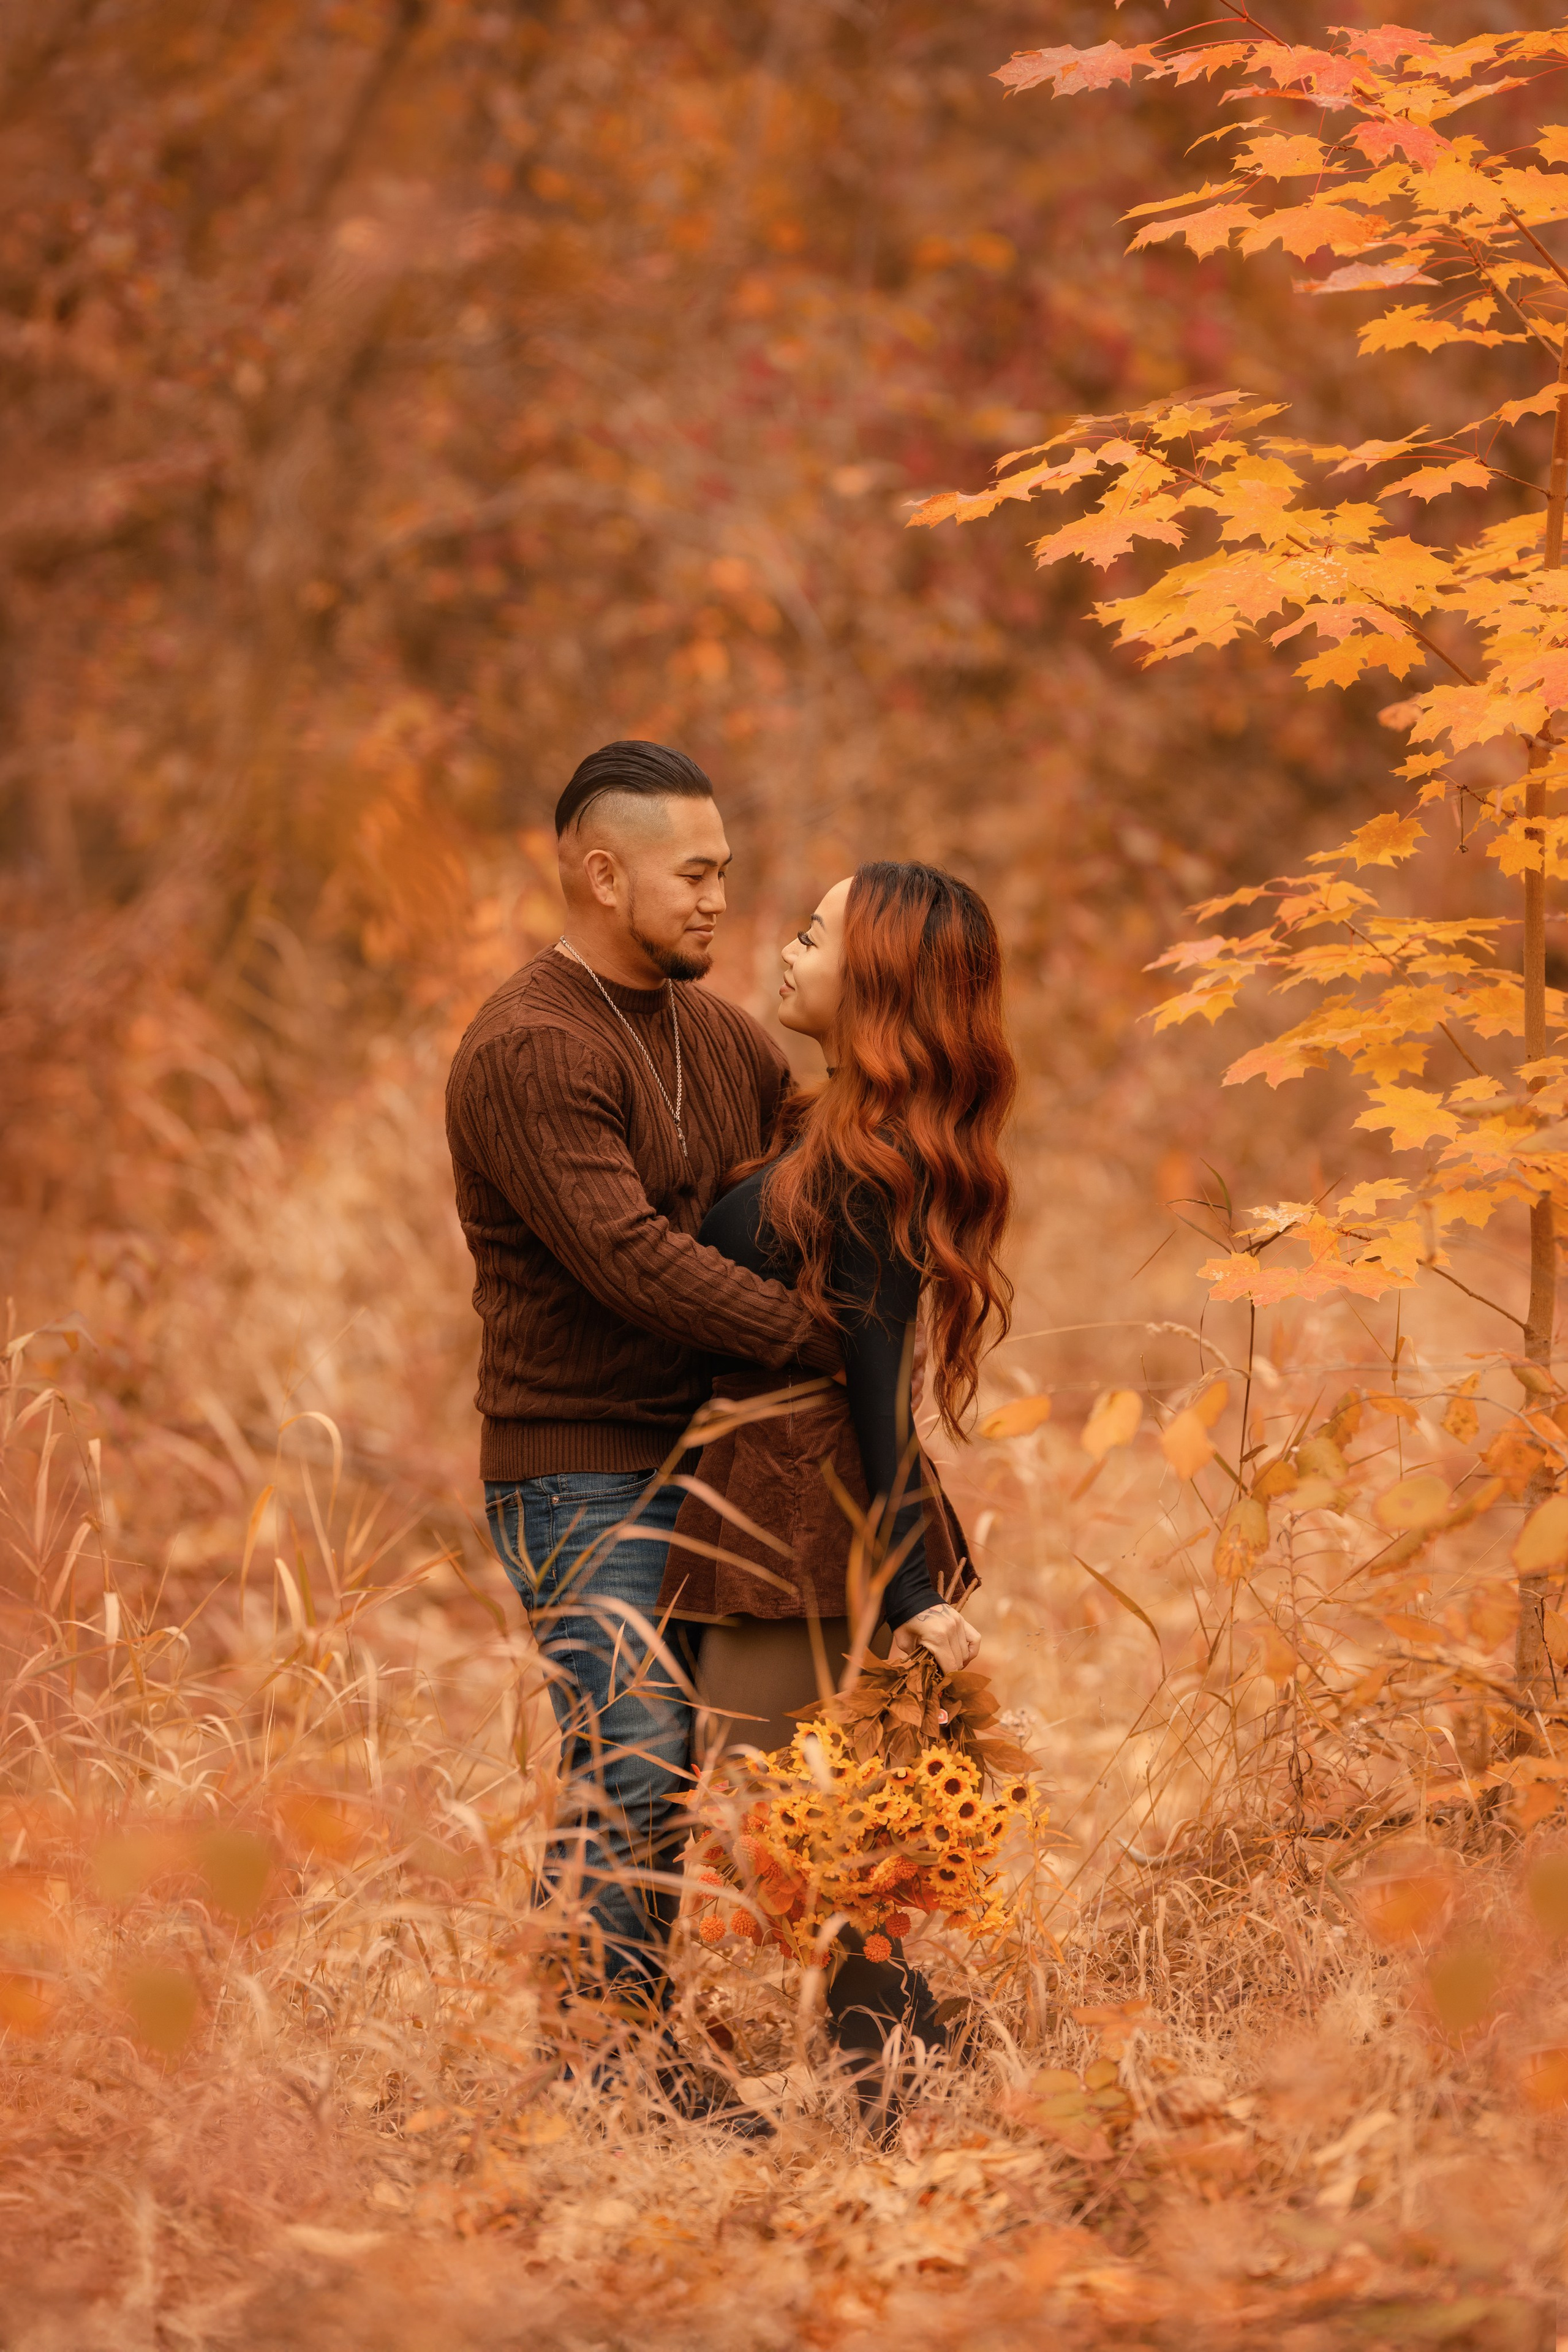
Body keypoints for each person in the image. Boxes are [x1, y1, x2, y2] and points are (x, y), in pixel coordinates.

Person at [445, 741, 838, 2034]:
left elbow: (819, 1175)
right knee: (637, 1741)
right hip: (576, 1466)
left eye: (725, 871)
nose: (720, 898)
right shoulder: (529, 1046)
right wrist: (810, 1339)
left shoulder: (718, 1037)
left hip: (715, 1462)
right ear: (603, 876)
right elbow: (627, 1259)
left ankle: (617, 2035)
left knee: (689, 1762)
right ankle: (606, 2061)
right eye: (694, 874)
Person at [657, 860, 1016, 2116]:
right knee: (813, 1805)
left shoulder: (866, 1170)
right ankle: (898, 2044)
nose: (787, 950)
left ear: (873, 982)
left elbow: (876, 1389)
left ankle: (884, 2064)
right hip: (772, 1510)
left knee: (787, 1810)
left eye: (813, 936)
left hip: (805, 1526)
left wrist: (912, 1590)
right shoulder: (830, 1130)